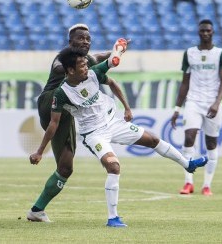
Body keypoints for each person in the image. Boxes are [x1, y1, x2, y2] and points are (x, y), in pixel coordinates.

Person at [29, 47, 208, 227]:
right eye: (82, 66)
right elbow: (53, 124)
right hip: (94, 134)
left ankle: (188, 164)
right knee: (113, 166)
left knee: (153, 140)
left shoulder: (92, 74)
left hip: (113, 123)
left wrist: (119, 50)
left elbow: (112, 73)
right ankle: (113, 218)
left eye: (86, 64)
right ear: (70, 71)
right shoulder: (62, 93)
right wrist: (39, 151)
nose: (86, 68)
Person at [26, 23, 120, 223]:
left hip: (69, 108)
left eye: (87, 38)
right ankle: (37, 210)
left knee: (66, 167)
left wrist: (117, 49)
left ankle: (37, 210)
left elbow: (100, 56)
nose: (85, 41)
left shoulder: (83, 61)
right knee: (65, 165)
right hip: (52, 102)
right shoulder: (64, 60)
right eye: (80, 38)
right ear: (70, 42)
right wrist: (40, 150)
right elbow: (63, 68)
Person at [171, 19, 222, 196]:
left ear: (213, 32)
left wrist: (217, 103)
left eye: (208, 31)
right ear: (199, 32)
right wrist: (176, 109)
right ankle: (188, 183)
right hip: (193, 102)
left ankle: (207, 185)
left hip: (212, 103)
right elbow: (185, 82)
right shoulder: (189, 53)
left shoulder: (221, 54)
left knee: (211, 143)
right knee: (189, 137)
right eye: (202, 31)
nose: (205, 33)